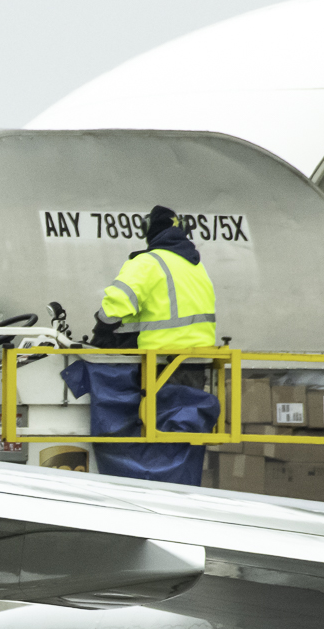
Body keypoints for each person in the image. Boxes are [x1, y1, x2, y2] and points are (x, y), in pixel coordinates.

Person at [60, 204, 222, 484]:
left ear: (150, 231)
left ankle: (137, 490)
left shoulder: (149, 262)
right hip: (195, 363)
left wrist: (102, 331)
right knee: (177, 437)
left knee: (147, 434)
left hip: (160, 364)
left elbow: (115, 306)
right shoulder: (194, 264)